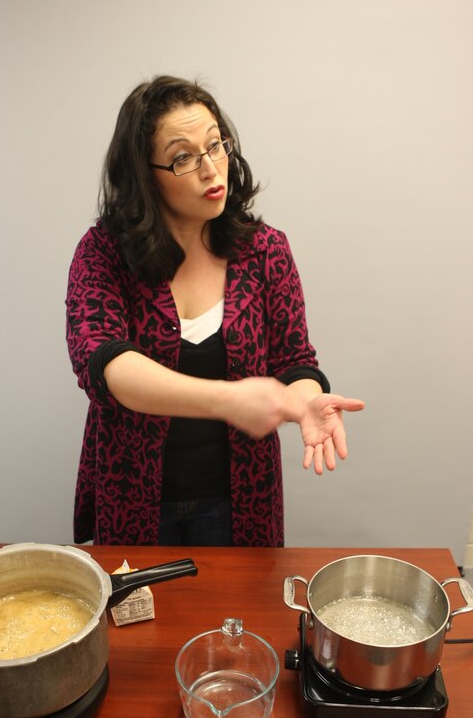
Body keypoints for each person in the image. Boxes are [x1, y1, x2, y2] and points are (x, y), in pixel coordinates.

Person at [66, 75, 365, 547]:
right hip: (134, 497)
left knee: (237, 618)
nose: (211, 169)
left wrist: (305, 398)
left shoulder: (266, 250)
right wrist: (228, 399)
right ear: (146, 175)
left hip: (240, 501)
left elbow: (295, 360)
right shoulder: (102, 253)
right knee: (140, 619)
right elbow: (105, 365)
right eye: (184, 157)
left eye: (216, 146)